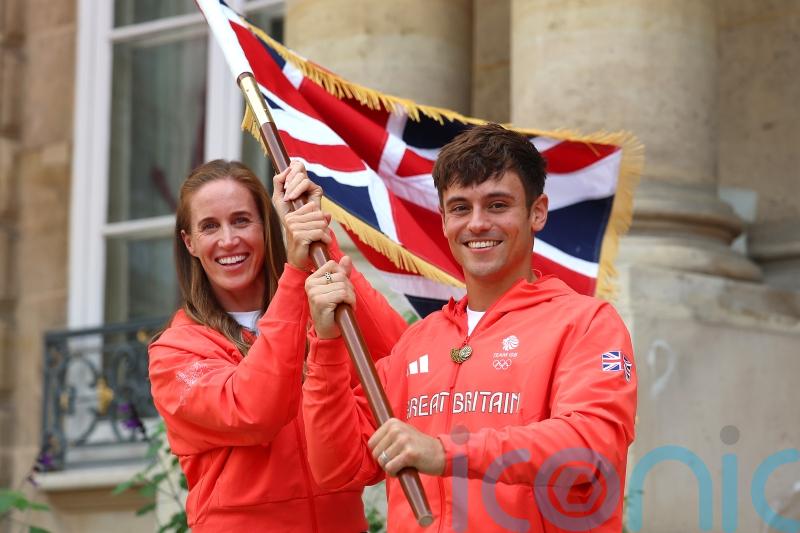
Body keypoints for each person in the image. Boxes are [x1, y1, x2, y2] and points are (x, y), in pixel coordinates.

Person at [301, 124, 637, 532]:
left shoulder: (587, 323)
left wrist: (446, 453)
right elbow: (338, 467)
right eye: (461, 208)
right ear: (443, 220)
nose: (477, 224)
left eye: (497, 205)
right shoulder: (418, 342)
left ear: (537, 211)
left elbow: (589, 449)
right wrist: (327, 344)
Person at [148, 159, 407, 532]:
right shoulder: (175, 352)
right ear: (189, 242)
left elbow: (403, 362)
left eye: (241, 220)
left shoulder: (315, 317)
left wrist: (320, 243)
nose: (228, 240)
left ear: (267, 227)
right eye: (209, 226)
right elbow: (254, 411)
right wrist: (297, 275)